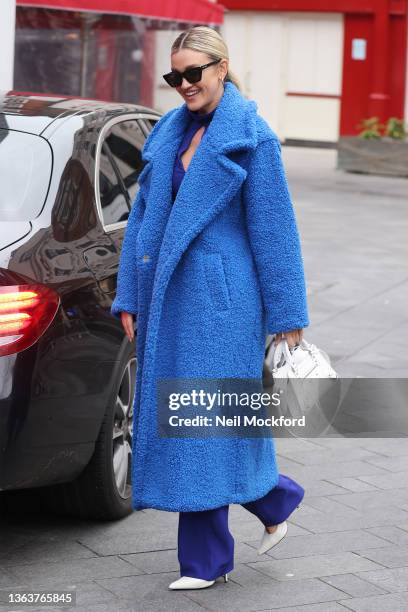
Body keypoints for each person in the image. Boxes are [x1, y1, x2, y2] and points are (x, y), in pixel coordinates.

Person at [111, 26, 309, 590]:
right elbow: (144, 220)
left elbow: (275, 232)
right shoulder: (169, 132)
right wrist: (128, 292)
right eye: (175, 76)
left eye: (193, 73)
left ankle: (205, 561)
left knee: (198, 422)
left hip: (222, 306)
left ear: (222, 68)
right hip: (167, 298)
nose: (184, 85)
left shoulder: (252, 138)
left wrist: (287, 313)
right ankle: (276, 499)